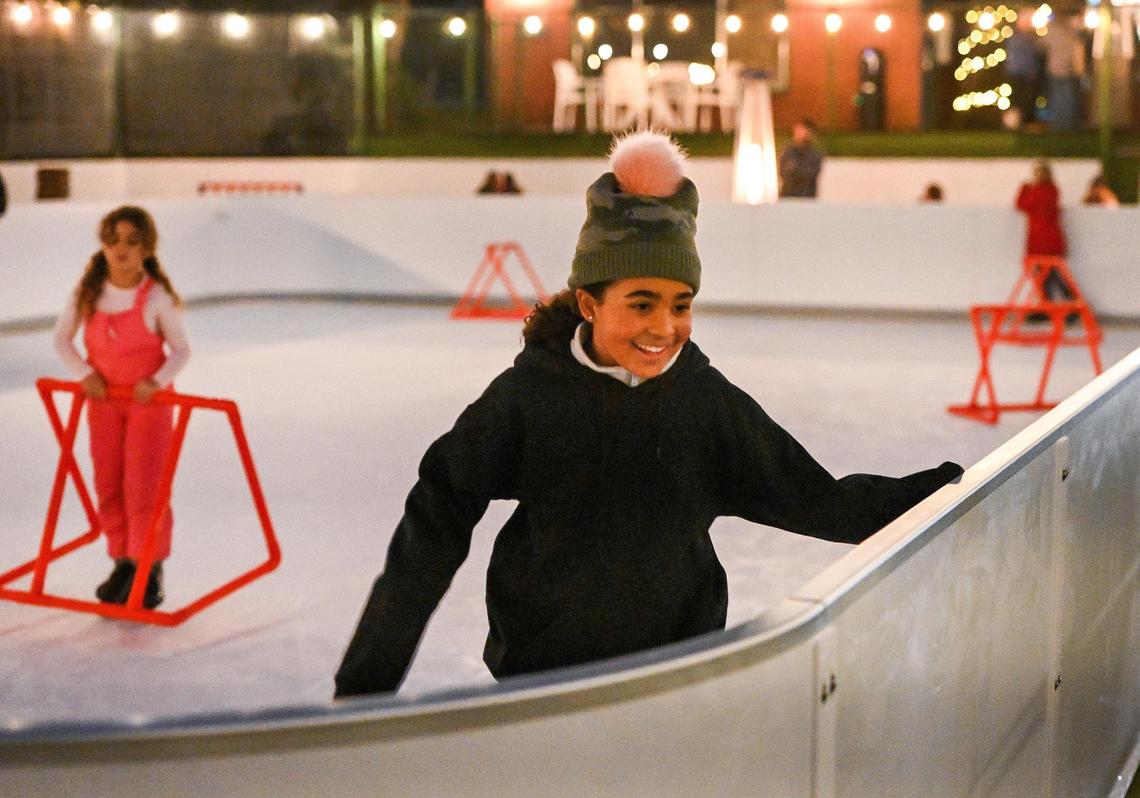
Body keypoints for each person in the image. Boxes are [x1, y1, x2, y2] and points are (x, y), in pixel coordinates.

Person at [334, 132, 963, 698]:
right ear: (588, 301)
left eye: (680, 304)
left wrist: (940, 498)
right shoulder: (528, 400)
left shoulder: (705, 405)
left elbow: (818, 500)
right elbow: (432, 531)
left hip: (675, 680)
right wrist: (366, 687)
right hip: (541, 682)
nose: (665, 328)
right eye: (641, 304)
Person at [52, 206, 191, 609]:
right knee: (109, 483)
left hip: (148, 405)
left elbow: (181, 350)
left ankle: (149, 568)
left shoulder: (156, 297)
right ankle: (122, 563)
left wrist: (156, 381)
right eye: (114, 241)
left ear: (147, 249)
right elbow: (61, 340)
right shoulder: (87, 292)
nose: (122, 250)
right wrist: (84, 373)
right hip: (104, 403)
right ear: (103, 245)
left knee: (144, 488)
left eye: (132, 242)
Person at [1015, 160, 1074, 302]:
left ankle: (1062, 303)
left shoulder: (1037, 191)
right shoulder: (1053, 190)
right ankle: (1053, 305)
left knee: (1045, 275)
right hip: (1050, 238)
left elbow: (1021, 205)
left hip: (1040, 239)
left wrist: (1024, 189)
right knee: (1050, 274)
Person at [778, 119, 824, 198]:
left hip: (807, 196)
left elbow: (811, 174)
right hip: (788, 196)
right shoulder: (788, 151)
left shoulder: (814, 153)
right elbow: (784, 172)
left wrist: (796, 170)